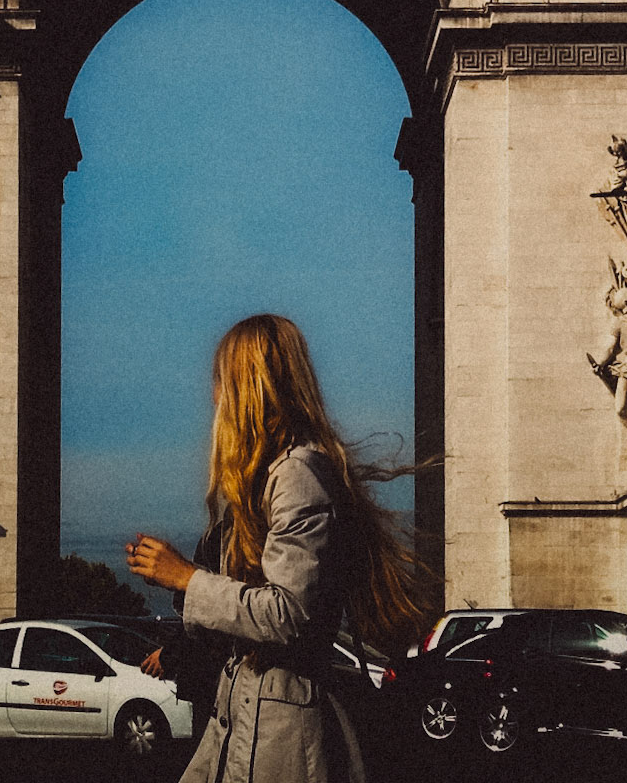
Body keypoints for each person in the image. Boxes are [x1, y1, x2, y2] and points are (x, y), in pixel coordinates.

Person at [126, 313, 429, 783]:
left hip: (283, 737)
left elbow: (288, 613)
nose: (213, 397)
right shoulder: (263, 481)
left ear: (250, 387)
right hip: (246, 721)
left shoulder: (297, 474)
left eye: (221, 380)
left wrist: (186, 578)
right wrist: (177, 580)